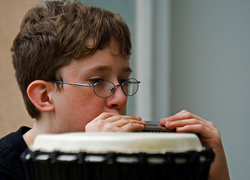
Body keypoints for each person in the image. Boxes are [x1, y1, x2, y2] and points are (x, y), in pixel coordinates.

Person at [0, 0, 230, 180]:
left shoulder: (136, 160)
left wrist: (215, 176)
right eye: (98, 81)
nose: (119, 98)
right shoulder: (5, 167)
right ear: (44, 96)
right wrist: (92, 161)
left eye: (123, 81)